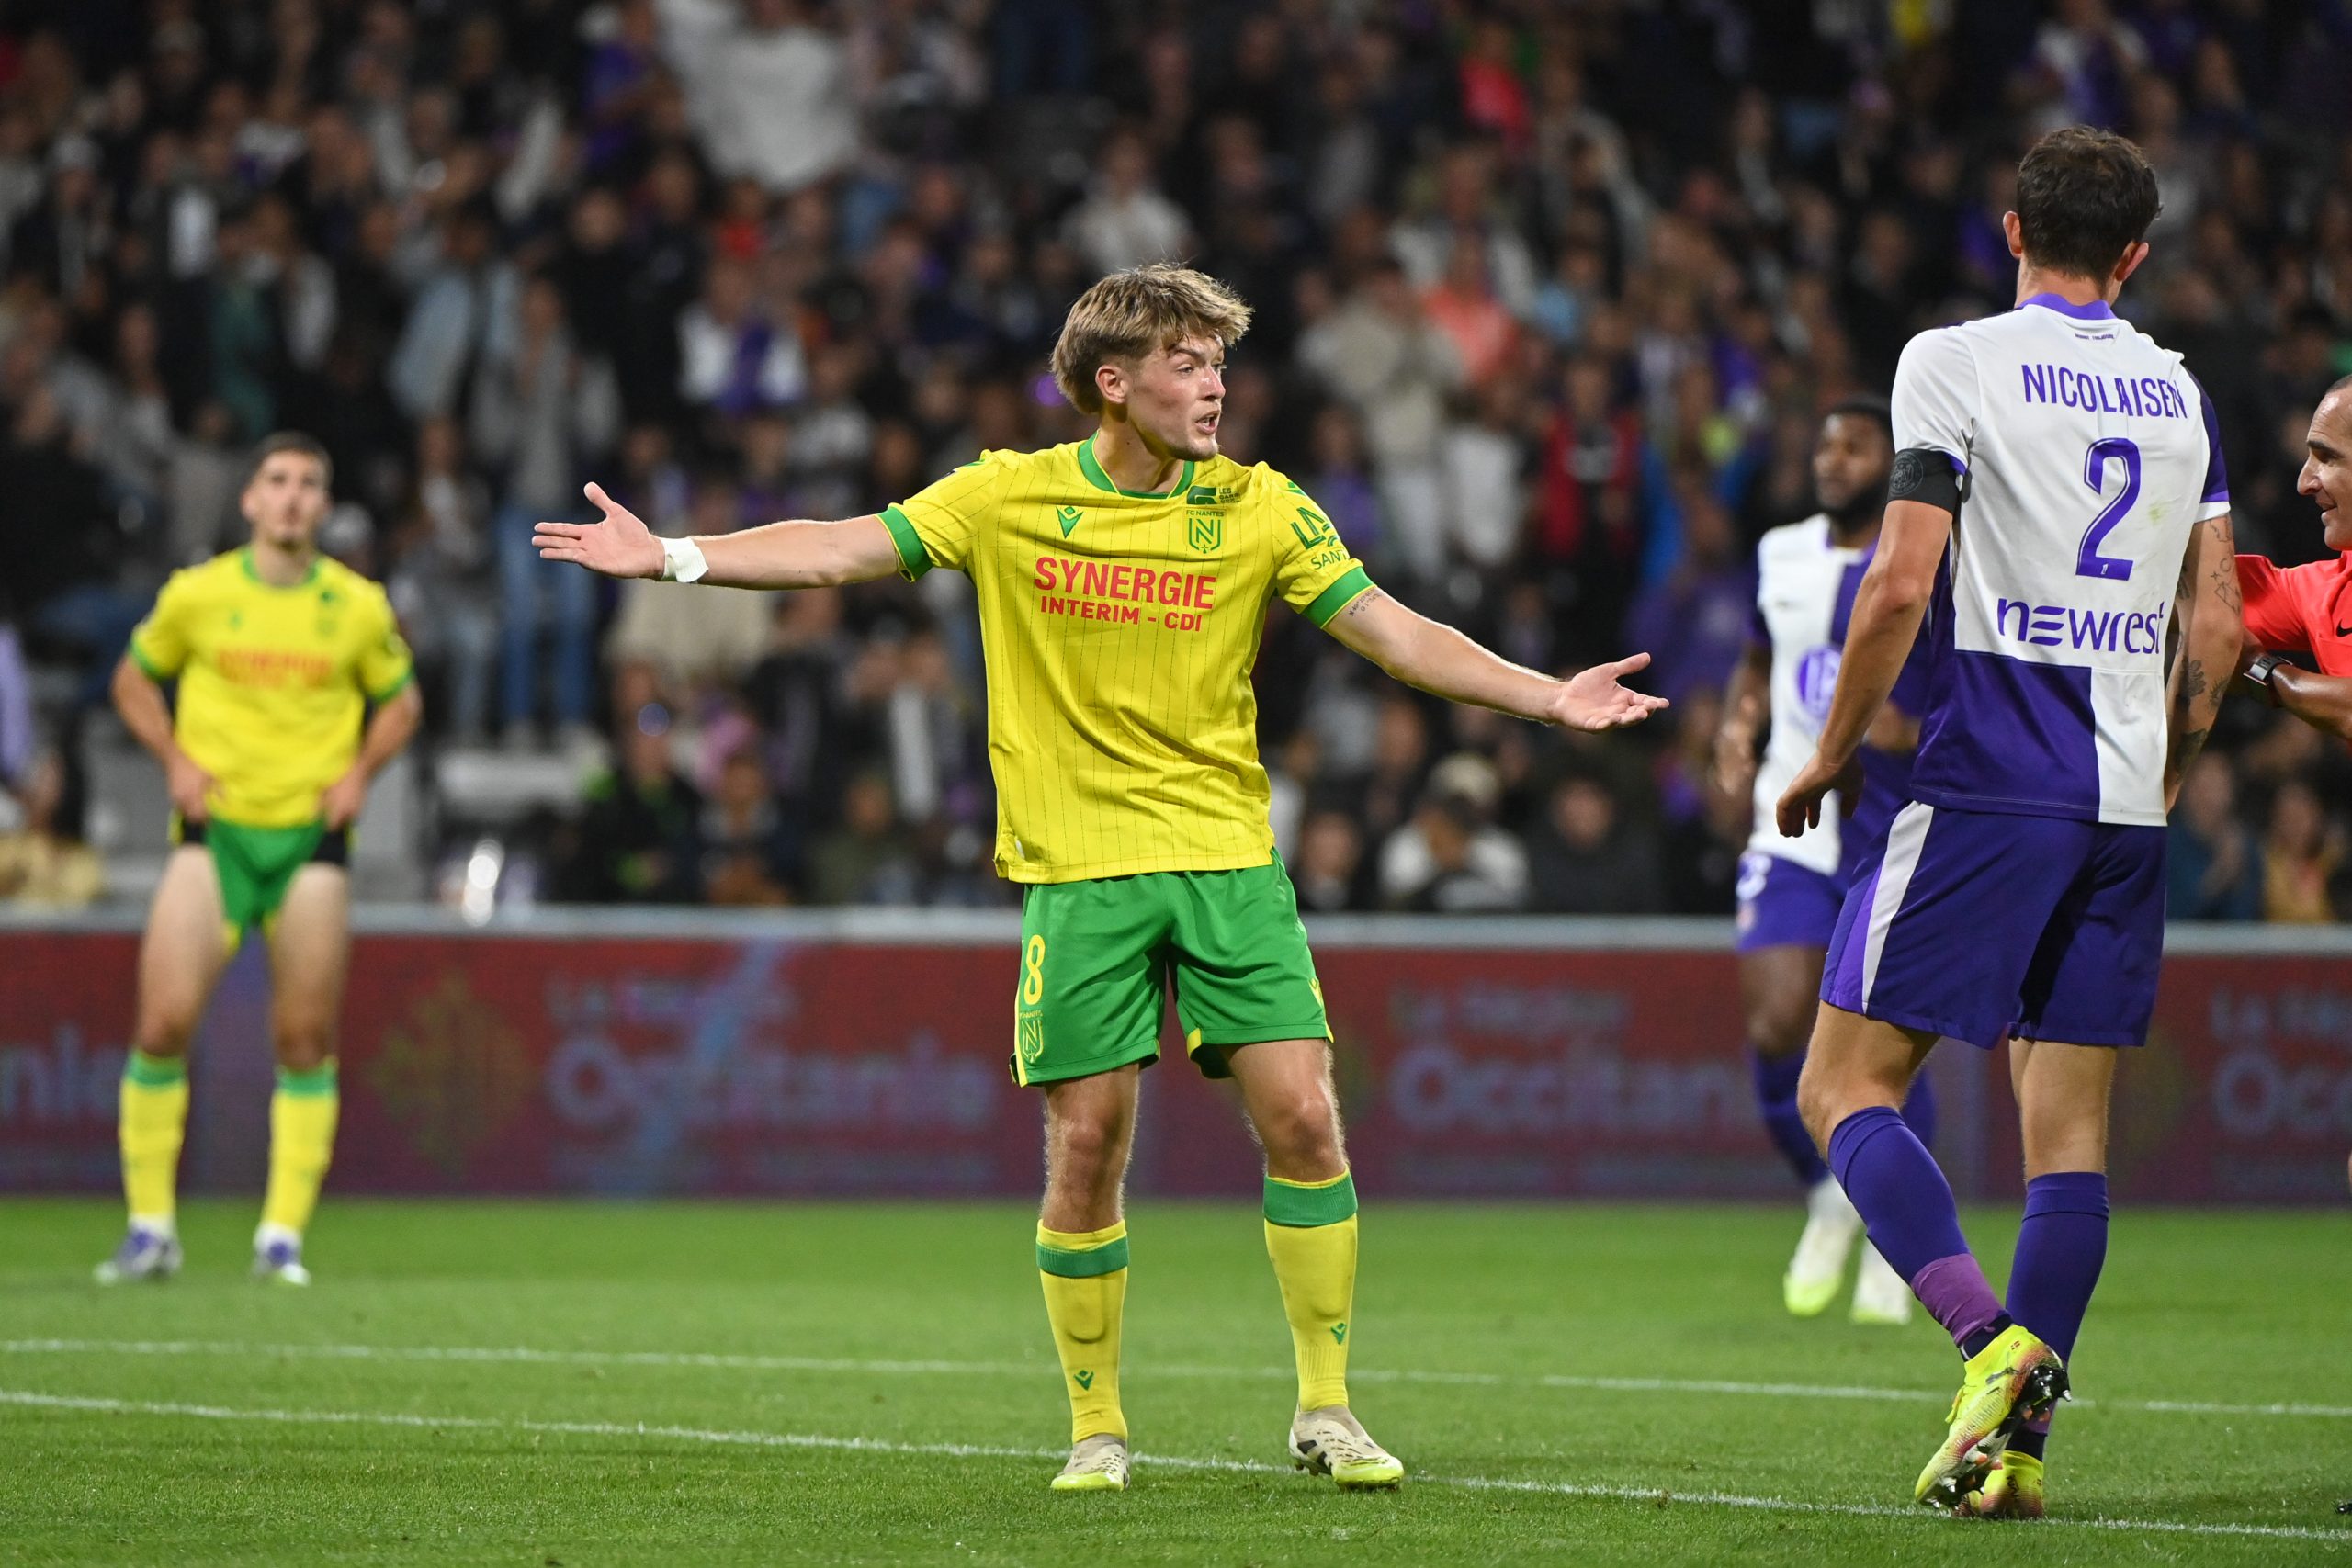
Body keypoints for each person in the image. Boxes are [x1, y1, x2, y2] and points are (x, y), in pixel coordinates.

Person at [539, 263, 1665, 1493]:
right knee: (1088, 1149)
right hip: (1081, 876)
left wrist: (1547, 692)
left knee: (1304, 1114)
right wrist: (676, 559)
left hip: (1227, 861)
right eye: (1189, 362)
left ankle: (1328, 1407)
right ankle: (1097, 1423)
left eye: (1221, 363)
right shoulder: (1008, 495)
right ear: (1113, 382)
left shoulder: (1261, 508)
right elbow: (835, 550)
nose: (1215, 384)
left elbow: (1400, 634)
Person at [1774, 129, 2241, 1520]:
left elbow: (1902, 582)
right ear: (2137, 254)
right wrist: (2163, 771)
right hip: (2120, 793)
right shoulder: (2177, 387)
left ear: (2009, 226)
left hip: (1991, 769)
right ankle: (2013, 1458)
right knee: (2070, 1138)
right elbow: (2208, 619)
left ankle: (1996, 1347)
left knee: (1840, 1084)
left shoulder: (1955, 359)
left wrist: (1833, 745)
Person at [102, 433, 422, 1286]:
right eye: (276, 481)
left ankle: (280, 1236)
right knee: (163, 1022)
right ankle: (149, 1226)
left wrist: (359, 775)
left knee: (305, 1038)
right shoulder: (197, 596)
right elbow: (133, 679)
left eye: (308, 484)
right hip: (217, 835)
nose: (290, 497)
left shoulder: (356, 605)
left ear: (323, 505)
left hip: (311, 840)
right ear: (248, 499)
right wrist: (174, 760)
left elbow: (402, 701)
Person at [1713, 399, 1935, 1325]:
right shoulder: (1781, 552)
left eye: (1853, 446)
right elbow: (1761, 659)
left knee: (1884, 1041)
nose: (1831, 459)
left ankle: (1898, 1236)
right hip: (1790, 817)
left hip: (1889, 819)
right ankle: (1826, 1191)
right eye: (1822, 444)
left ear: (1890, 463)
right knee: (1774, 1021)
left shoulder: (1922, 554)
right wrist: (1735, 726)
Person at [2235, 376, 2352, 743]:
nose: (2304, 482)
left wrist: (2267, 673)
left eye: (2326, 457)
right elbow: (2202, 594)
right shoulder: (2326, 592)